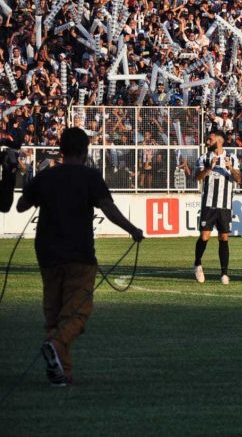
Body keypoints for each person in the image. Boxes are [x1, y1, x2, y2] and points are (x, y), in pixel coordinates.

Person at [16, 127, 144, 387]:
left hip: (48, 255)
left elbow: (21, 206)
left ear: (61, 150)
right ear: (85, 152)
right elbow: (108, 208)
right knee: (77, 314)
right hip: (79, 255)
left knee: (54, 315)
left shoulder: (46, 177)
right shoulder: (90, 176)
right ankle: (55, 344)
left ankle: (61, 373)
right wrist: (133, 230)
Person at [193, 130, 241, 285]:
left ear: (219, 141)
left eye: (210, 139)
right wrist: (209, 168)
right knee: (205, 236)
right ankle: (198, 264)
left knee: (224, 237)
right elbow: (197, 178)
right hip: (209, 203)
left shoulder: (232, 157)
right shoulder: (204, 157)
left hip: (225, 204)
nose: (207, 142)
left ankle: (224, 273)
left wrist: (231, 168)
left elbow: (239, 179)